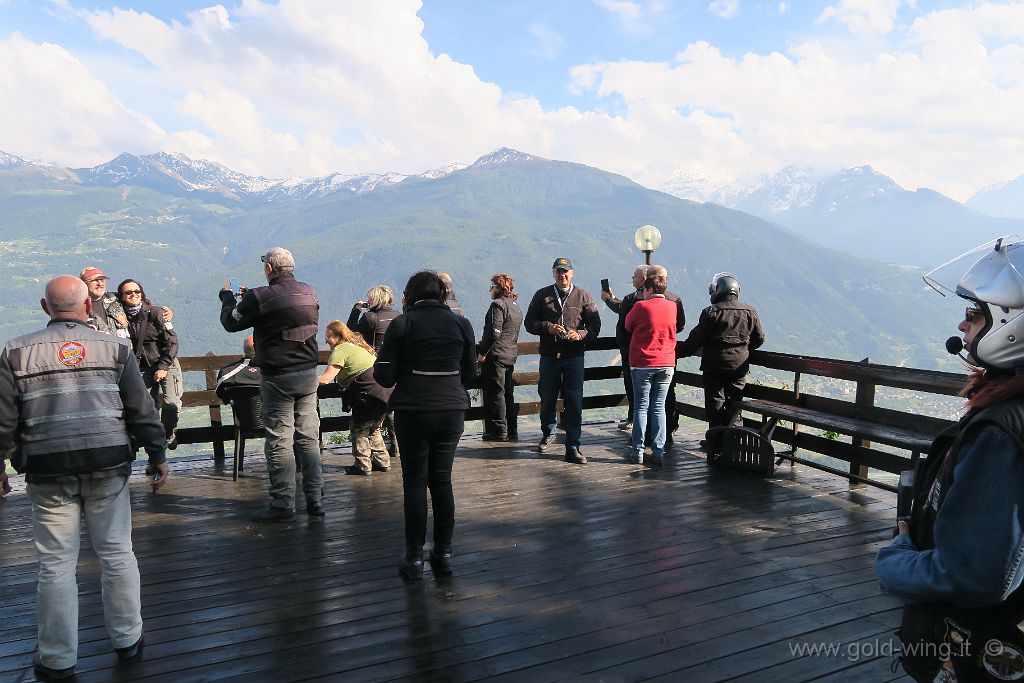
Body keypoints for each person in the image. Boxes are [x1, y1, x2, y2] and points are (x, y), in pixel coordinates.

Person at [0, 275, 168, 681]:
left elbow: (4, 420)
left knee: (56, 564)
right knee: (116, 553)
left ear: (45, 309)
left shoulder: (15, 352)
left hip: (48, 468)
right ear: (88, 308)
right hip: (108, 464)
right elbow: (140, 409)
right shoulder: (116, 347)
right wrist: (157, 454)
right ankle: (128, 640)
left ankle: (58, 660)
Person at [875, 237, 1024, 682]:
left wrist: (895, 559)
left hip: (977, 650)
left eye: (975, 313)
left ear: (1012, 326)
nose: (962, 324)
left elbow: (971, 574)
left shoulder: (1002, 433)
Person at [374, 271, 476, 579]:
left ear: (409, 296)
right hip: (451, 409)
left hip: (413, 410)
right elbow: (470, 375)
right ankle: (443, 553)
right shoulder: (462, 324)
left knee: (415, 483)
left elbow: (385, 376)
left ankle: (414, 557)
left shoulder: (402, 325)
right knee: (442, 481)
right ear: (443, 295)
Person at [219, 247, 324, 522]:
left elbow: (231, 323)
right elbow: (286, 313)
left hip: (278, 375)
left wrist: (228, 298)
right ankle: (315, 499)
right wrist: (252, 300)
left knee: (280, 439)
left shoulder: (259, 296)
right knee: (308, 438)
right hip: (308, 373)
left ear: (269, 268)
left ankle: (283, 503)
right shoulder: (309, 292)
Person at [524, 257, 602, 464]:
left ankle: (573, 445)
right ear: (553, 273)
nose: (562, 275)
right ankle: (548, 432)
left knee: (574, 402)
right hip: (549, 356)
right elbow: (529, 323)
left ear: (572, 273)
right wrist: (546, 327)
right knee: (547, 397)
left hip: (574, 356)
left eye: (565, 271)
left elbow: (595, 326)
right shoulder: (542, 295)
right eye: (559, 271)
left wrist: (581, 335)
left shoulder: (583, 295)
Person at [677, 272, 764, 452]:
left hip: (714, 365)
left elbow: (695, 340)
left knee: (715, 403)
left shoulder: (711, 312)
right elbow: (759, 339)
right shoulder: (750, 311)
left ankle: (715, 442)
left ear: (717, 290)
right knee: (735, 403)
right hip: (739, 366)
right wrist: (744, 349)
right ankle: (734, 443)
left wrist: (677, 352)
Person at [603, 266, 686, 436]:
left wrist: (609, 300)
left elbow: (626, 321)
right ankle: (665, 433)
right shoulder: (674, 300)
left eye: (634, 276)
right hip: (666, 356)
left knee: (639, 399)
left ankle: (640, 440)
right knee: (664, 398)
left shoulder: (637, 300)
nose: (632, 279)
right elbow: (680, 325)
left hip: (639, 355)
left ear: (646, 279)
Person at [319, 321, 393, 475]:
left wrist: (303, 381)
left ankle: (362, 465)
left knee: (359, 428)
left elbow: (325, 379)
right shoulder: (358, 346)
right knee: (374, 427)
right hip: (385, 392)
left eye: (329, 337)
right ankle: (382, 462)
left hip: (368, 393)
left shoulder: (340, 350)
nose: (326, 341)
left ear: (338, 336)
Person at [624, 265, 678, 465]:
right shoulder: (672, 306)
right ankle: (659, 452)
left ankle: (637, 451)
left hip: (643, 363)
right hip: (666, 363)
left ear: (648, 290)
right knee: (659, 408)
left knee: (641, 407)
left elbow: (627, 325)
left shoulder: (641, 306)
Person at [116, 279, 180, 449]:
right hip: (142, 369)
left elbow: (172, 341)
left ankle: (168, 432)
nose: (134, 295)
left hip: (167, 362)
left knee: (171, 404)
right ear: (121, 296)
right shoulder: (119, 316)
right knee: (147, 408)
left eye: (137, 292)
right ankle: (157, 443)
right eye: (128, 292)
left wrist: (163, 366)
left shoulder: (157, 313)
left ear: (142, 293)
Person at [347, 284, 401, 458]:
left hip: (375, 366)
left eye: (370, 298)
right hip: (397, 366)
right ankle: (396, 444)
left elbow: (351, 332)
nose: (368, 301)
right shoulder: (399, 317)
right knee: (392, 406)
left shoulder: (370, 318)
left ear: (375, 299)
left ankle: (369, 452)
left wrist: (356, 309)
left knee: (373, 408)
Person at [477, 273, 524, 441]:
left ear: (499, 288)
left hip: (496, 355)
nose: (490, 290)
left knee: (496, 393)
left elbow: (494, 333)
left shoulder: (497, 305)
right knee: (508, 393)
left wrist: (482, 352)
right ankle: (512, 429)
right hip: (511, 354)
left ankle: (499, 430)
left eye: (492, 287)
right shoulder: (515, 306)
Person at [80, 266, 130, 339]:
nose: (100, 284)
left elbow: (136, 305)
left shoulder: (114, 299)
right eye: (95, 280)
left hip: (122, 348)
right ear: (84, 284)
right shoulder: (79, 307)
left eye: (102, 280)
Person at [215, 335, 262, 403]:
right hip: (274, 412)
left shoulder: (226, 373)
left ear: (244, 349)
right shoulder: (276, 371)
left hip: (241, 412)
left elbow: (221, 394)